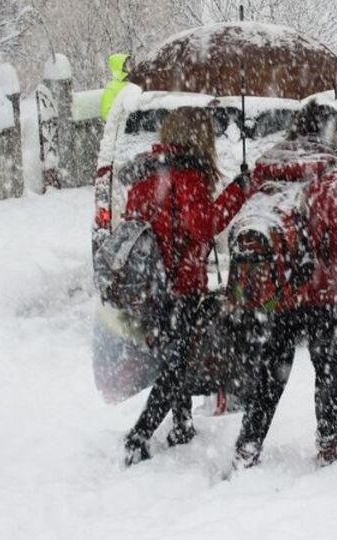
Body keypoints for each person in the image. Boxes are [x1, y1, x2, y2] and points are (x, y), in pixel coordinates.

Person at [232, 100, 337, 469]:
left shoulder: (267, 167)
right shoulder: (331, 175)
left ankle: (248, 445)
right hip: (318, 290)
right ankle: (329, 443)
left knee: (271, 370)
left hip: (274, 289)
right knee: (327, 366)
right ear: (332, 133)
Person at [123, 107, 250, 466]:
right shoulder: (188, 177)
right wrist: (238, 191)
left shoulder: (146, 175)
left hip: (149, 285)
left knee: (172, 355)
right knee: (177, 364)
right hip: (180, 286)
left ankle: (182, 422)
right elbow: (206, 226)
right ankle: (140, 434)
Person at [101, 53, 133, 121]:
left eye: (131, 64)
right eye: (128, 65)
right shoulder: (111, 88)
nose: (131, 67)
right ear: (120, 67)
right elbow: (106, 113)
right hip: (123, 126)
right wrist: (124, 116)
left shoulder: (134, 83)